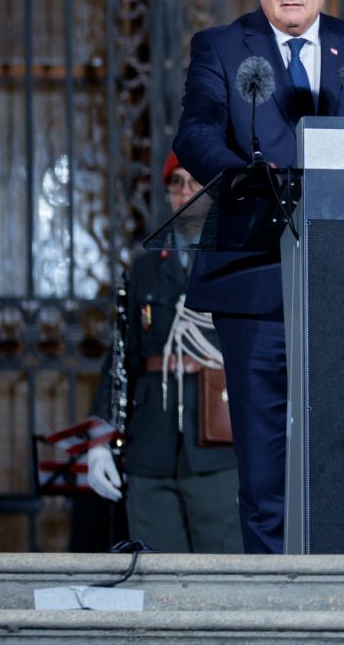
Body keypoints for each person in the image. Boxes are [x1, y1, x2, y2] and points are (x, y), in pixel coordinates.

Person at [173, 0, 344, 554]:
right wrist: (250, 180)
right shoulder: (223, 48)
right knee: (264, 461)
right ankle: (271, 603)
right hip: (256, 282)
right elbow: (195, 133)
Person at [86, 155, 243, 551]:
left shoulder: (238, 261)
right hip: (152, 444)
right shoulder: (144, 269)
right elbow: (122, 356)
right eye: (177, 183)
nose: (186, 192)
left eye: (195, 183)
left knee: (223, 578)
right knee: (154, 576)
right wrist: (100, 441)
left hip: (218, 444)